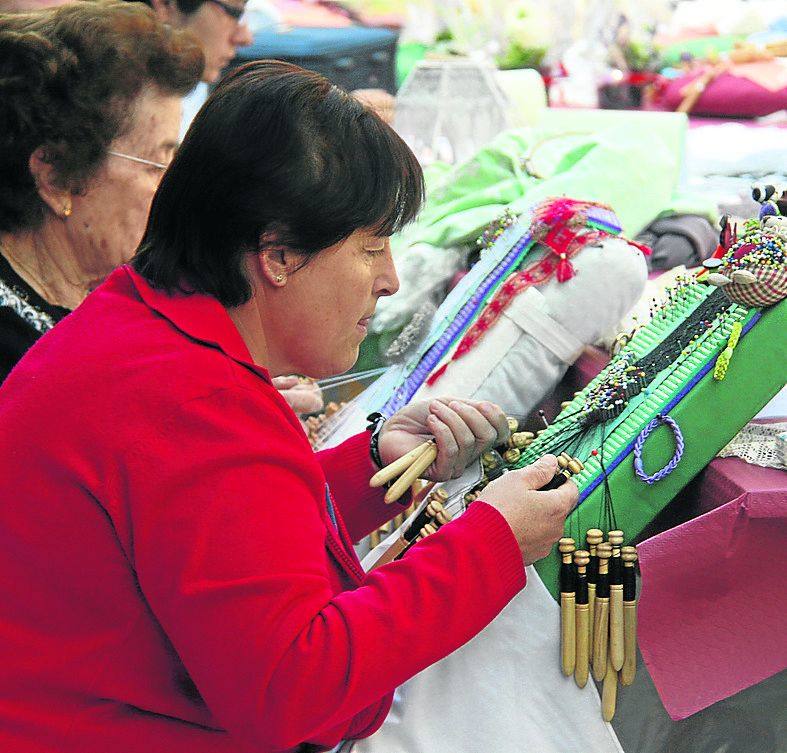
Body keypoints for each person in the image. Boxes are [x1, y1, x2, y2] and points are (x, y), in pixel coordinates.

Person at [0, 61, 577, 753]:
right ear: (276, 255)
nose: (389, 280)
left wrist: (369, 469)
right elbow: (293, 689)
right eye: (370, 248)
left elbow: (210, 538)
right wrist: (491, 543)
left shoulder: (141, 326)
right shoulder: (196, 400)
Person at [0, 0, 203, 381]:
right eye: (156, 166)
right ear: (56, 177)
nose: (173, 191)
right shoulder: (14, 353)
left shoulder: (104, 299)